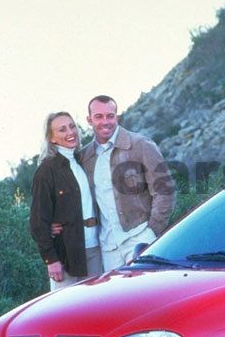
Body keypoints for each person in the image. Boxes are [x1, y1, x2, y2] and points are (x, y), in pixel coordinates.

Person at [79, 95, 175, 270]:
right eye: (98, 117)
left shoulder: (140, 145)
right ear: (89, 120)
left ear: (117, 117)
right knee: (116, 297)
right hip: (108, 247)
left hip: (140, 237)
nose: (105, 122)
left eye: (110, 116)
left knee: (146, 294)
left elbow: (164, 190)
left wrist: (152, 231)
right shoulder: (86, 157)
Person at [30, 112, 102, 290]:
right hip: (66, 252)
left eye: (72, 126)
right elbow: (38, 220)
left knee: (95, 307)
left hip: (95, 247)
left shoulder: (82, 162)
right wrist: (51, 259)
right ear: (52, 138)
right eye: (62, 129)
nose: (70, 132)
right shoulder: (47, 170)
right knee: (66, 309)